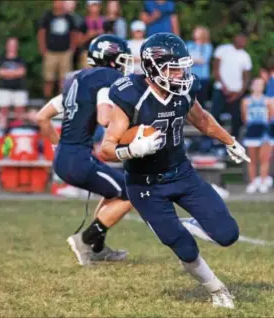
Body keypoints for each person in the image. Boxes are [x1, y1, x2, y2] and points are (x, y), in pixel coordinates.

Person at [100, 33, 250, 309]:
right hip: (145, 184)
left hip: (181, 172)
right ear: (152, 67)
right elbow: (105, 148)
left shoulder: (184, 90)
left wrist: (230, 141)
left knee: (228, 234)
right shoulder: (131, 94)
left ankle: (188, 225)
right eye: (173, 67)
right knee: (183, 247)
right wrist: (132, 150)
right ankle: (217, 290)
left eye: (182, 66)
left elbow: (202, 119)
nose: (181, 73)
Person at [36, 35, 135, 265]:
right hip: (79, 159)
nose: (123, 65)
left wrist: (57, 147)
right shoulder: (105, 78)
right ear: (110, 58)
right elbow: (103, 118)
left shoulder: (76, 80)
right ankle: (85, 241)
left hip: (65, 157)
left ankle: (97, 247)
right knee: (131, 193)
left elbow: (42, 117)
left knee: (115, 191)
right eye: (121, 59)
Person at [211, 33, 252, 139]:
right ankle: (215, 138)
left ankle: (234, 140)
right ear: (235, 38)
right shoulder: (223, 50)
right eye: (241, 39)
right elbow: (216, 69)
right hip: (221, 89)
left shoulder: (245, 56)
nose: (243, 42)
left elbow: (247, 77)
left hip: (236, 92)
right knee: (214, 114)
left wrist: (240, 92)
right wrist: (224, 87)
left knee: (237, 118)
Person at [37, 0, 78, 98]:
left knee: (64, 80)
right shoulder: (47, 16)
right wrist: (43, 48)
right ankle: (47, 102)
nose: (59, 3)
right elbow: (41, 32)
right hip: (50, 52)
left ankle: (62, 103)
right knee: (48, 79)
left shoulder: (69, 17)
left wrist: (72, 48)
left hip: (65, 53)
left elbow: (74, 33)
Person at [241, 78, 272, 193]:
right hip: (252, 131)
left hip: (264, 131)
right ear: (252, 86)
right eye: (256, 84)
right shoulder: (246, 101)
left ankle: (263, 181)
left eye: (261, 84)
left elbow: (270, 116)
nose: (258, 86)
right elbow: (244, 118)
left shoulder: (268, 101)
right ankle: (253, 182)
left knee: (264, 158)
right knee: (252, 159)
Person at [0, 37, 28, 129]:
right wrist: (15, 73)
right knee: (3, 109)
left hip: (19, 88)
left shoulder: (21, 59)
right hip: (4, 88)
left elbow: (22, 72)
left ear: (17, 47)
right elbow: (0, 73)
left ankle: (19, 129)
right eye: (11, 45)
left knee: (20, 110)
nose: (12, 47)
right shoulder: (1, 59)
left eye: (14, 45)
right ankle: (2, 129)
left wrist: (8, 73)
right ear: (7, 46)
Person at [186, 26, 213, 108]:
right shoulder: (189, 44)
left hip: (202, 78)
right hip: (189, 78)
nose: (194, 33)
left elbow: (203, 60)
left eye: (197, 31)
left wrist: (189, 60)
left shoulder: (207, 46)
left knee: (200, 102)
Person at [79, 0, 104, 69]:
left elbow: (111, 39)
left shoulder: (105, 21)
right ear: (88, 7)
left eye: (96, 5)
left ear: (100, 7)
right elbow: (79, 42)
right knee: (88, 76)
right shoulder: (83, 22)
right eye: (93, 5)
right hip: (87, 53)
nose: (95, 8)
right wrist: (88, 35)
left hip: (102, 53)